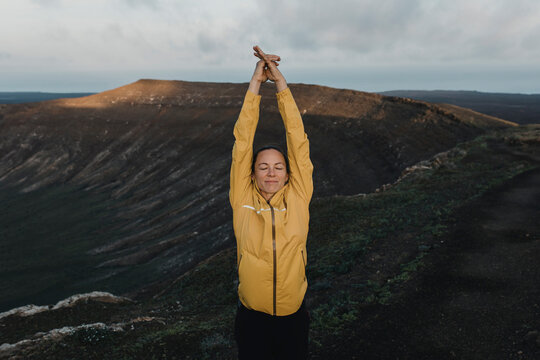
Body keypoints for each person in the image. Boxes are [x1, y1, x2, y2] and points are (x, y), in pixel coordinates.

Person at [230, 45, 314, 360]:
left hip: (293, 316)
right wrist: (255, 84)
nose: (271, 173)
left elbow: (297, 138)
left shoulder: (299, 195)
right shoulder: (242, 197)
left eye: (278, 167)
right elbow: (242, 142)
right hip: (252, 317)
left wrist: (280, 85)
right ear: (251, 174)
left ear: (288, 174)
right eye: (263, 167)